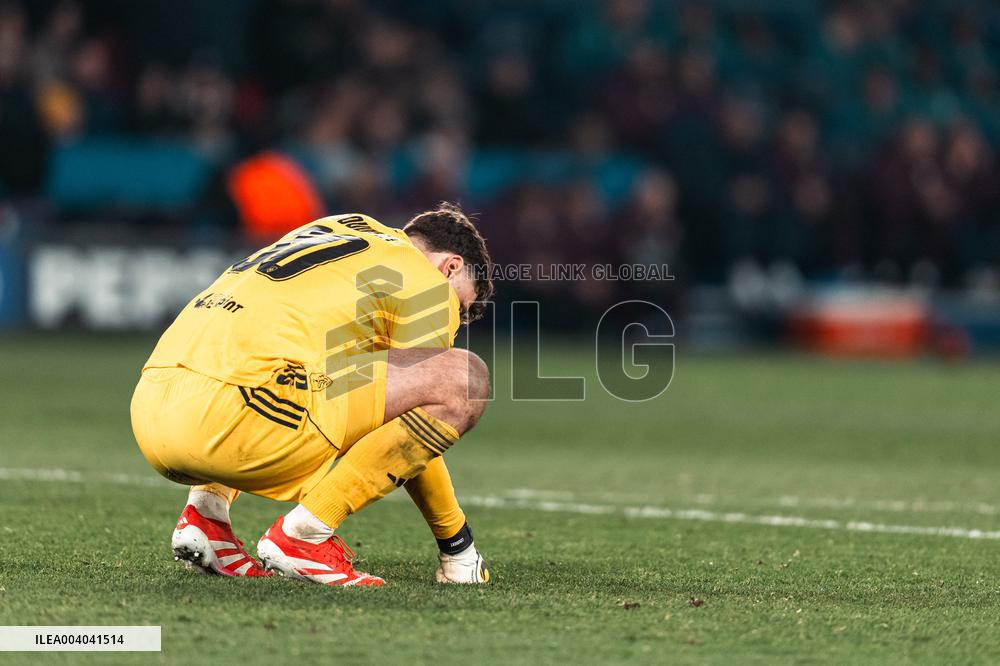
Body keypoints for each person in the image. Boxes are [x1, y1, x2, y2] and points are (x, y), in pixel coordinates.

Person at [130, 203, 493, 587]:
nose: (456, 319)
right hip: (236, 417)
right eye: (461, 305)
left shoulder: (340, 228)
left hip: (152, 405)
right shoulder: (427, 282)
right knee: (464, 379)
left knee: (285, 359)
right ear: (450, 267)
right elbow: (415, 420)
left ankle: (206, 516)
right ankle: (303, 537)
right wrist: (457, 544)